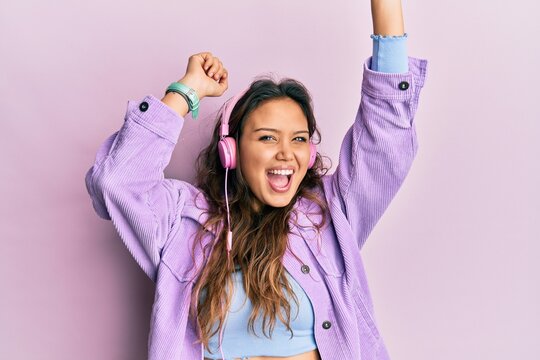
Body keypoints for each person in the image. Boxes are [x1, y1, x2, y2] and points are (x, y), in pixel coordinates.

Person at [84, 1, 428, 359]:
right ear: (230, 150)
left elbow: (385, 132)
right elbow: (118, 180)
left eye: (299, 139)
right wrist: (187, 91)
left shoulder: (332, 214)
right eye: (267, 137)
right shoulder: (181, 223)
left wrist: (385, 6)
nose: (286, 153)